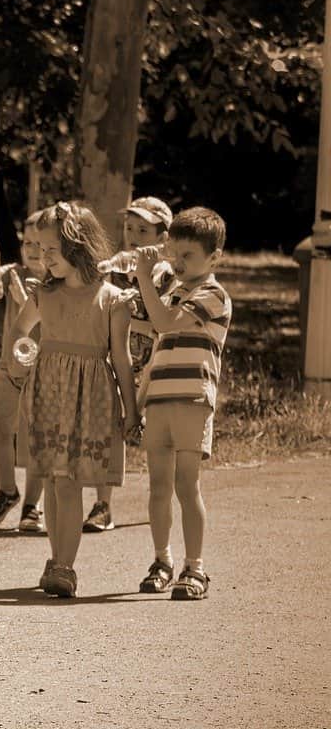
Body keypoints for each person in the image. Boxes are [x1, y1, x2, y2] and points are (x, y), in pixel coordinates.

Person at [13, 202, 138, 598]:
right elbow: (20, 334)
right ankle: (56, 558)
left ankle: (66, 565)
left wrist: (131, 409)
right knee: (52, 478)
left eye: (52, 250)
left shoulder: (113, 300)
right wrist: (25, 361)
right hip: (49, 392)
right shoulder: (42, 295)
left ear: (77, 245)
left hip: (91, 396)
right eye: (39, 249)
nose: (43, 258)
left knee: (68, 483)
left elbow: (122, 358)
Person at [134, 207, 231, 600]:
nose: (177, 262)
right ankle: (162, 560)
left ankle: (196, 568)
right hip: (159, 399)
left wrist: (143, 278)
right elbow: (158, 347)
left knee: (186, 486)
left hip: (192, 400)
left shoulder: (212, 294)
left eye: (187, 256)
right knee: (158, 487)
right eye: (173, 253)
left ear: (214, 258)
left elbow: (165, 324)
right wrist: (137, 402)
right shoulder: (172, 291)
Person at [84, 196, 176, 534]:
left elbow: (160, 322)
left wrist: (127, 322)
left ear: (162, 238)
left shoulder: (168, 275)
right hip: (117, 362)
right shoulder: (114, 271)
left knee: (156, 438)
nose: (134, 235)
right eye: (130, 227)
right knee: (109, 430)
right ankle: (102, 504)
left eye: (144, 229)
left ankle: (161, 499)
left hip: (156, 366)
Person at [0, 210, 49, 532]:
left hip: (48, 370)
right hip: (9, 366)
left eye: (42, 243)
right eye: (28, 242)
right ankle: (8, 491)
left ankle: (33, 507)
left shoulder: (61, 281)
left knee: (38, 438)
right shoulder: (14, 273)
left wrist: (30, 305)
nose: (34, 250)